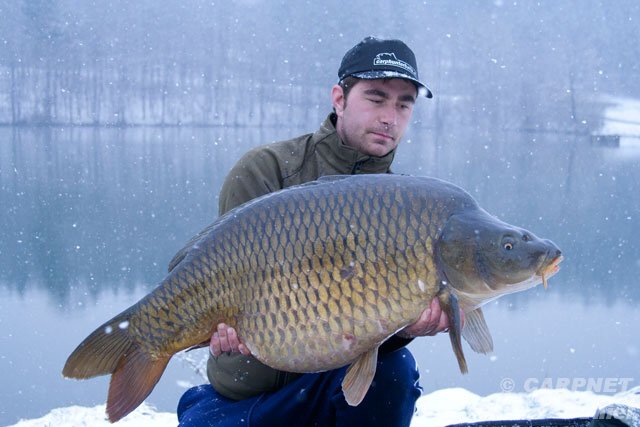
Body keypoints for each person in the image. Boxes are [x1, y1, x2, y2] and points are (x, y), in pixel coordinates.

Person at [177, 36, 456, 427]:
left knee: (396, 370)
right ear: (339, 99)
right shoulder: (266, 169)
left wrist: (405, 328)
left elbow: (363, 328)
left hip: (334, 389)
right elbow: (220, 274)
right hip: (248, 399)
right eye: (376, 98)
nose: (390, 117)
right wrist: (219, 327)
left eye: (403, 104)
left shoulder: (406, 212)